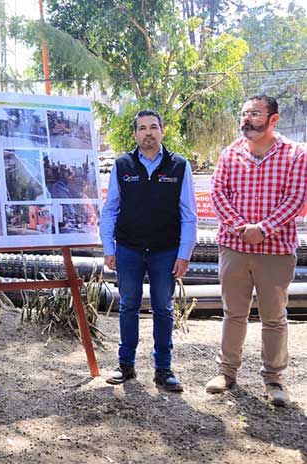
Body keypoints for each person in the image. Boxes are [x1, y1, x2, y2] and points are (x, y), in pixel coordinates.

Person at [206, 94, 307, 406]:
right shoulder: (230, 154)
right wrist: (240, 228)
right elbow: (218, 194)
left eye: (254, 113)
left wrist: (262, 229)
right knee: (233, 313)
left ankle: (275, 379)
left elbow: (296, 198)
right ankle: (227, 372)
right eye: (244, 113)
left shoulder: (295, 155)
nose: (246, 119)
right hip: (234, 247)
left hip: (275, 250)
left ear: (273, 119)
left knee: (274, 317)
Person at [100, 109, 197, 391]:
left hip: (165, 252)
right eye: (142, 128)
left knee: (163, 309)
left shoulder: (179, 166)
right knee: (128, 305)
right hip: (129, 249)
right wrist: (109, 247)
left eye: (153, 127)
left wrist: (184, 254)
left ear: (162, 131)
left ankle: (163, 370)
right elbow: (111, 210)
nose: (148, 133)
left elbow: (189, 214)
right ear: (135, 134)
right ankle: (125, 365)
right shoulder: (123, 165)